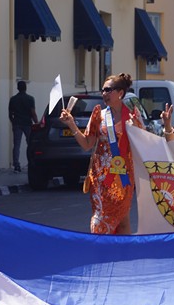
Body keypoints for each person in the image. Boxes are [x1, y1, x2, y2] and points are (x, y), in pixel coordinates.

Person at [59, 72, 144, 235]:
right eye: (103, 90)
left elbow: (143, 145)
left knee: (123, 221)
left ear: (120, 93)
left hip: (123, 177)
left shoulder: (132, 115)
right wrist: (71, 124)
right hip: (102, 179)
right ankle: (101, 255)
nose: (104, 94)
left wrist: (137, 130)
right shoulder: (99, 115)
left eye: (108, 90)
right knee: (99, 221)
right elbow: (87, 144)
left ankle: (124, 257)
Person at [8, 80, 37, 172]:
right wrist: (37, 123)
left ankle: (16, 165)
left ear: (17, 88)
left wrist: (13, 122)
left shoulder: (13, 99)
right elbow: (33, 113)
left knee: (16, 145)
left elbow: (10, 114)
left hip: (17, 123)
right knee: (30, 144)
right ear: (25, 88)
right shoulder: (30, 99)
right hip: (27, 123)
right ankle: (32, 162)